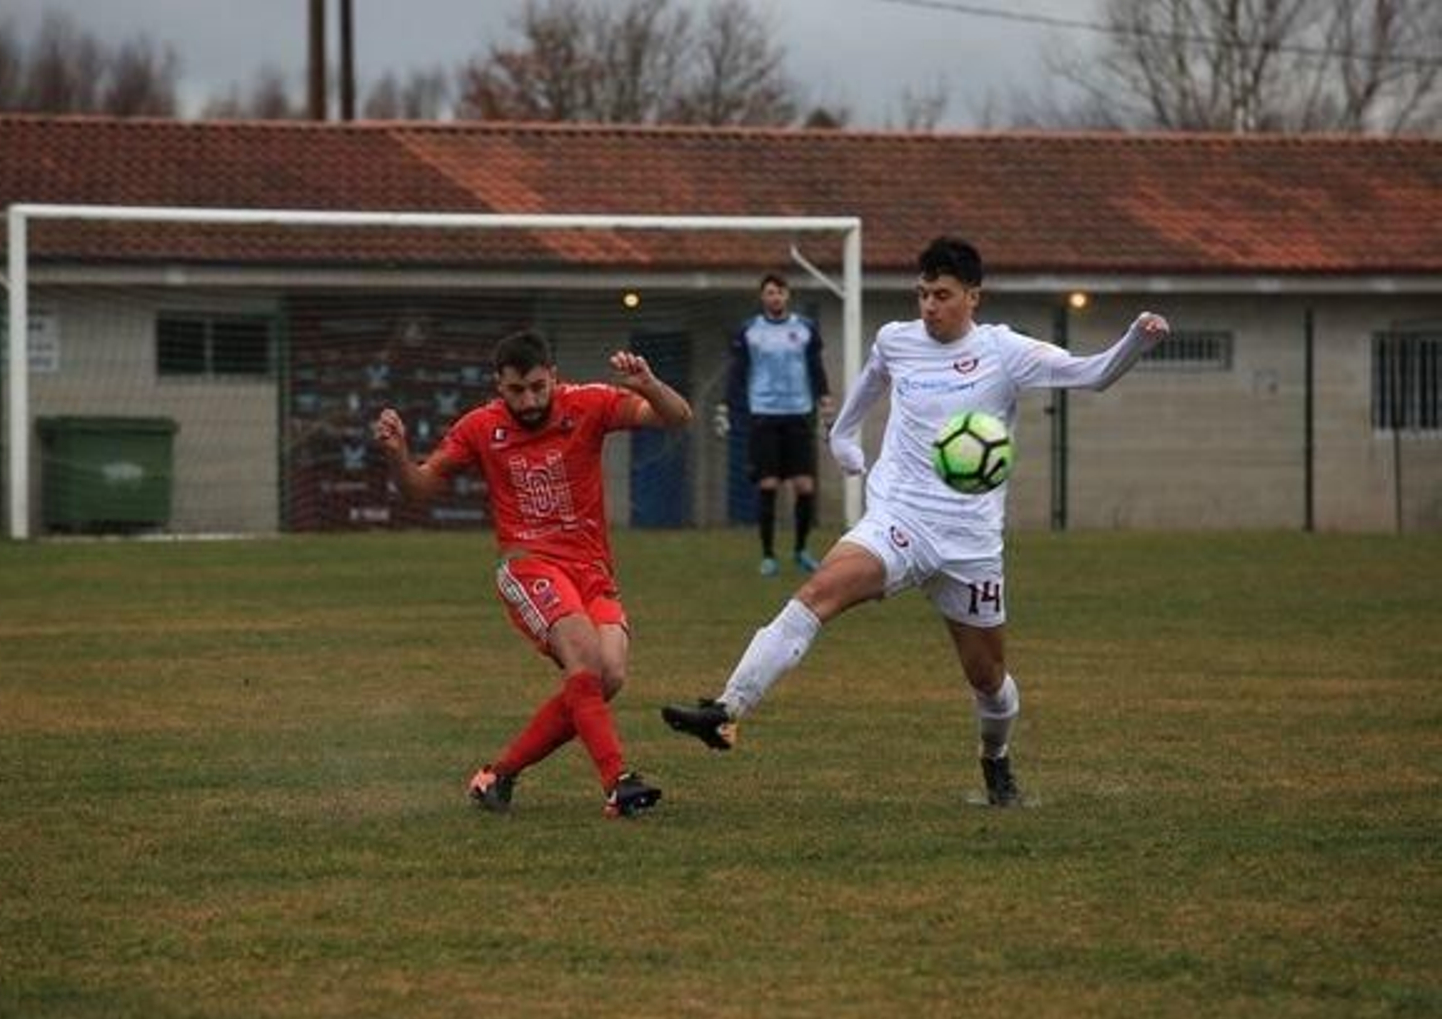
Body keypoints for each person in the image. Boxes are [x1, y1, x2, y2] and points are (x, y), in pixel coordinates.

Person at [665, 237, 1170, 806]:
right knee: (817, 593)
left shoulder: (1005, 352)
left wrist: (1135, 341)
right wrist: (843, 437)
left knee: (988, 680)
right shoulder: (896, 341)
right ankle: (727, 709)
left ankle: (996, 761)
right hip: (899, 521)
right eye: (923, 294)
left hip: (970, 544)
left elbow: (1093, 374)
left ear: (972, 297)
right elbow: (867, 388)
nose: (929, 306)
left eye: (943, 295)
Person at [376, 329, 693, 819]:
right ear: (497, 387)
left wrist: (649, 384)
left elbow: (678, 417)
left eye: (538, 387)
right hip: (528, 563)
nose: (528, 400)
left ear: (554, 378)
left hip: (591, 569)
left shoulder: (589, 403)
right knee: (584, 659)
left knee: (607, 676)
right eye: (516, 390)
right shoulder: (481, 427)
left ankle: (497, 776)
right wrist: (397, 456)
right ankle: (618, 783)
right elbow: (420, 488)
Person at [718, 273, 836, 577]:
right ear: (763, 297)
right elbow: (737, 373)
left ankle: (800, 550)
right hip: (764, 415)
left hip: (798, 414)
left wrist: (825, 400)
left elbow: (815, 367)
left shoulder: (805, 329)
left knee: (804, 486)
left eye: (780, 292)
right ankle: (768, 555)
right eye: (770, 293)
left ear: (788, 296)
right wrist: (725, 406)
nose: (775, 297)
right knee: (768, 484)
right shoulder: (750, 331)